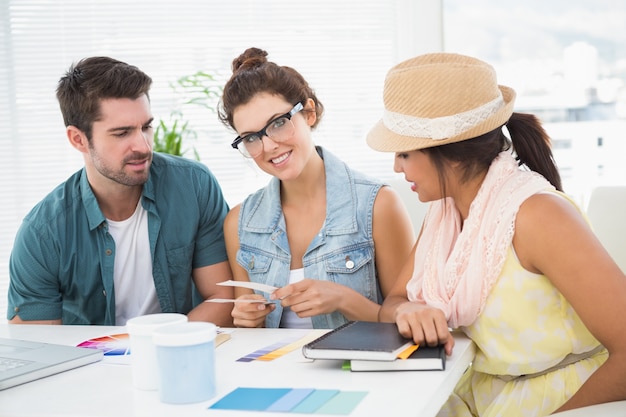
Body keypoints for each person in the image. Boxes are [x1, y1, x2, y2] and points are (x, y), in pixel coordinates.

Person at [367, 52, 626, 416]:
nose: (396, 165)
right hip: (480, 395)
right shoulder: (443, 215)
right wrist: (408, 309)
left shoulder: (538, 216)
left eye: (404, 152)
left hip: (563, 404)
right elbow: (391, 303)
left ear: (449, 152)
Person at [7, 56, 235, 326]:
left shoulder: (194, 185)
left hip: (178, 355)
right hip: (93, 365)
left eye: (146, 127)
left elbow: (222, 299)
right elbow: (38, 345)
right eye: (122, 133)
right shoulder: (43, 233)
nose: (142, 145)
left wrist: (156, 351)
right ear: (78, 139)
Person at [217, 47, 415, 329]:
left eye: (278, 123)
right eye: (251, 138)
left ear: (308, 112)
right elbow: (251, 341)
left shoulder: (377, 206)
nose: (269, 145)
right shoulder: (240, 224)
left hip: (357, 372)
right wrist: (247, 320)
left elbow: (408, 319)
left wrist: (344, 300)